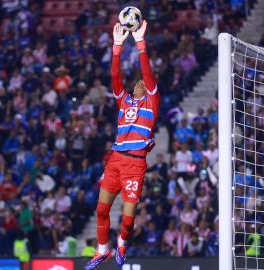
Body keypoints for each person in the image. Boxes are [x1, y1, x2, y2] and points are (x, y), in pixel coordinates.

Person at [84, 20, 160, 270]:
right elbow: (115, 76)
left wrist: (140, 43)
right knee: (101, 209)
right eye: (137, 82)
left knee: (128, 219)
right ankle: (102, 250)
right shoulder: (123, 101)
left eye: (144, 83)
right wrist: (117, 47)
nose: (141, 82)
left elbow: (147, 72)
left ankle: (123, 239)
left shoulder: (152, 103)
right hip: (116, 159)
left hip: (135, 165)